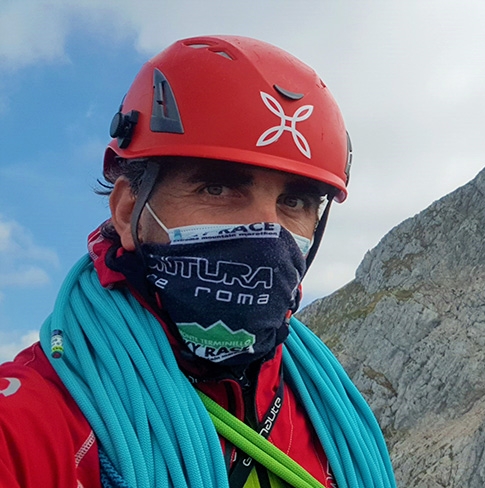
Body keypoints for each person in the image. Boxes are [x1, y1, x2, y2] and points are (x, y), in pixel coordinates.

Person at [0, 36, 396, 488]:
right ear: (130, 212)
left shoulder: (326, 415)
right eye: (218, 189)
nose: (266, 233)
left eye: (295, 200)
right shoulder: (28, 428)